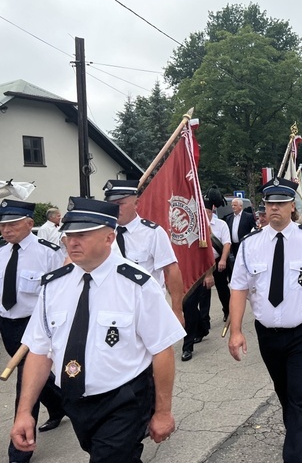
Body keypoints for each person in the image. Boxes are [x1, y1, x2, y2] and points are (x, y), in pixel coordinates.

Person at [10, 197, 185, 462]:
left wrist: (163, 412)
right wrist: (24, 412)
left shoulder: (137, 284)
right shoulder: (53, 287)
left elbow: (162, 350)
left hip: (124, 399)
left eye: (83, 234)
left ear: (109, 238)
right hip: (74, 399)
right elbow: (39, 351)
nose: (72, 241)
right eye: (69, 235)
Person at [228, 178, 302, 463]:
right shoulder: (250, 244)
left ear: (294, 206)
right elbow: (238, 288)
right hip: (268, 334)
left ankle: (295, 455)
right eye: (270, 203)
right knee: (284, 392)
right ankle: (298, 437)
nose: (274, 208)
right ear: (264, 207)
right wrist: (236, 330)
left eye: (281, 203)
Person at [0, 200, 66, 462]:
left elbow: (60, 291)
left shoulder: (48, 252)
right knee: (35, 375)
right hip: (7, 324)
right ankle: (60, 403)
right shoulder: (1, 252)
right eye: (3, 225)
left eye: (13, 224)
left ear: (30, 223)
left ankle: (20, 449)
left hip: (35, 324)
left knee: (24, 380)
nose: (6, 230)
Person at [103, 179, 185, 325]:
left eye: (120, 204)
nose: (115, 209)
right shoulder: (102, 233)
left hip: (147, 310)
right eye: (111, 204)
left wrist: (177, 311)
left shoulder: (153, 233)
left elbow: (172, 270)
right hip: (113, 310)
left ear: (136, 204)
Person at [181, 199, 232, 362]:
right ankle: (201, 329)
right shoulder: (191, 226)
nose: (205, 215)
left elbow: (225, 244)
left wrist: (215, 268)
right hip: (192, 269)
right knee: (188, 305)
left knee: (218, 292)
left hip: (213, 264)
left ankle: (223, 313)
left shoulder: (220, 225)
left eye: (207, 212)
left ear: (212, 211)